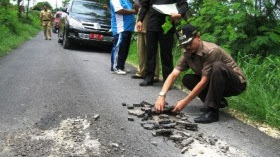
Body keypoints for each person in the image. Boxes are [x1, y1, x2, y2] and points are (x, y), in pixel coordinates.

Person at [155, 24, 247, 123]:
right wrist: (162, 95)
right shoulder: (187, 53)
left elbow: (204, 81)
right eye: (184, 45)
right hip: (215, 83)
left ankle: (212, 111)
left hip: (235, 84)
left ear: (198, 37)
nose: (187, 47)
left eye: (189, 43)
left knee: (218, 66)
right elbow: (173, 75)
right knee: (188, 79)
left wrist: (184, 102)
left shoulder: (211, 51)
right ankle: (218, 101)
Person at [137, 0, 188, 86]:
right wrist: (139, 20)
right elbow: (144, 5)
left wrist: (180, 14)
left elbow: (183, 4)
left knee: (166, 54)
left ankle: (167, 81)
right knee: (150, 53)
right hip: (152, 24)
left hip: (167, 24)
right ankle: (149, 78)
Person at [131, 4, 160, 81]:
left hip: (151, 21)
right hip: (141, 18)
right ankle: (141, 72)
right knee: (141, 49)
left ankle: (155, 74)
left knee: (152, 51)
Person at [110, 0, 139, 75]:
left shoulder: (126, 1)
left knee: (124, 49)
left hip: (128, 28)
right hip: (120, 28)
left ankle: (121, 66)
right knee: (119, 48)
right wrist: (133, 11)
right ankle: (115, 67)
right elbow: (119, 10)